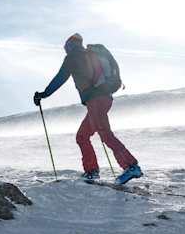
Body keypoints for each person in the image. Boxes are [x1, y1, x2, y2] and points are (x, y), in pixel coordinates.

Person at [33, 34, 142, 185]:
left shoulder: (73, 56)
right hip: (103, 98)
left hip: (96, 99)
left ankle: (131, 166)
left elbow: (60, 78)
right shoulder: (90, 54)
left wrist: (43, 94)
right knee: (82, 136)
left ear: (69, 46)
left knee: (104, 133)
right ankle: (91, 171)